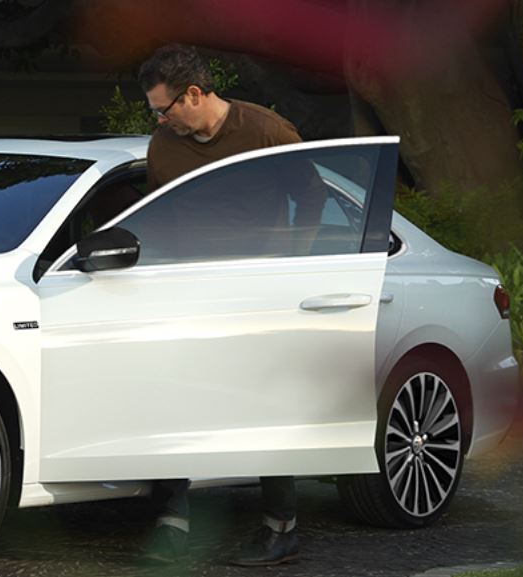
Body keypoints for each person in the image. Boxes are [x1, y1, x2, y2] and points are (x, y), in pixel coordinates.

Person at [135, 43, 312, 568]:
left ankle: (281, 529)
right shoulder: (163, 146)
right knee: (173, 403)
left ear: (194, 94)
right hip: (186, 295)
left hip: (259, 295)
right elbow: (154, 215)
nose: (160, 120)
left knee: (262, 407)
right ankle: (171, 527)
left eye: (164, 109)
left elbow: (314, 197)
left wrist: (296, 268)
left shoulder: (266, 132)